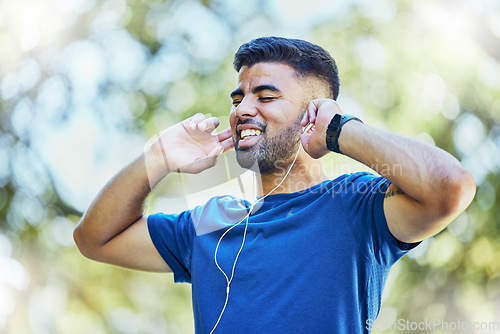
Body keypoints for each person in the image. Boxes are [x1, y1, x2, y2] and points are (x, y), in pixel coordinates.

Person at [73, 36, 476, 333]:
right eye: (238, 99)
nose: (242, 109)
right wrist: (158, 157)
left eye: (265, 97)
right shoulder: (212, 222)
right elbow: (94, 239)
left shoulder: (355, 205)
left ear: (312, 113)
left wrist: (338, 130)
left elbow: (450, 187)